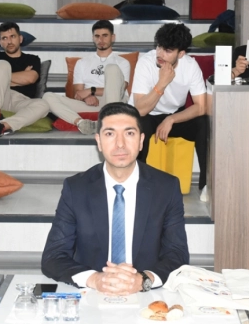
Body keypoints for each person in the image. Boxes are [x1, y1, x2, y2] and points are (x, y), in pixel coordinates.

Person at [41, 103, 189, 294]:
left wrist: (143, 280)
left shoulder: (166, 187)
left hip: (146, 296)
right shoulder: (76, 188)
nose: (120, 144)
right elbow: (53, 256)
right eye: (110, 134)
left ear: (141, 141)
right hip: (93, 295)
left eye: (129, 133)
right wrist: (95, 279)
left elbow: (177, 254)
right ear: (99, 141)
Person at [128, 24, 209, 200]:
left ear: (181, 53)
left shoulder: (190, 66)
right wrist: (162, 83)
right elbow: (140, 108)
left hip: (173, 114)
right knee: (139, 125)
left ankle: (206, 184)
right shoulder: (146, 62)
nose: (160, 54)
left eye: (168, 50)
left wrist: (171, 119)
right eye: (159, 47)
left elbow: (201, 106)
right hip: (146, 114)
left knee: (204, 123)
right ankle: (137, 184)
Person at [43, 20, 131, 134]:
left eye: (105, 36)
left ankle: (109, 121)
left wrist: (90, 91)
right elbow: (78, 91)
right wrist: (86, 97)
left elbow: (120, 88)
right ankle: (82, 124)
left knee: (112, 68)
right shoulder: (82, 63)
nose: (101, 40)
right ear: (93, 38)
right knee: (48, 96)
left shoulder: (122, 62)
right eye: (97, 36)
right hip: (90, 103)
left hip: (115, 101)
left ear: (113, 37)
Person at [0, 22, 50, 138]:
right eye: (4, 38)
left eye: (12, 36)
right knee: (3, 64)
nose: (9, 41)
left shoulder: (32, 59)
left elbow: (31, 78)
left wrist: (1, 77)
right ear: (0, 42)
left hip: (18, 101)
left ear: (20, 39)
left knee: (44, 105)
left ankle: (1, 126)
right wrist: (20, 77)